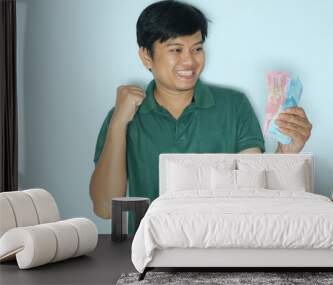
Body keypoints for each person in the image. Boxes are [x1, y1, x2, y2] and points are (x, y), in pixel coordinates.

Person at [89, 0, 312, 219]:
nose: (190, 61)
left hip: (223, 244)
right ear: (147, 55)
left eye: (197, 49)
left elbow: (255, 192)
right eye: (176, 49)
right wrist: (118, 124)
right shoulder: (124, 117)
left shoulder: (234, 106)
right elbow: (105, 209)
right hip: (148, 249)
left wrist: (285, 153)